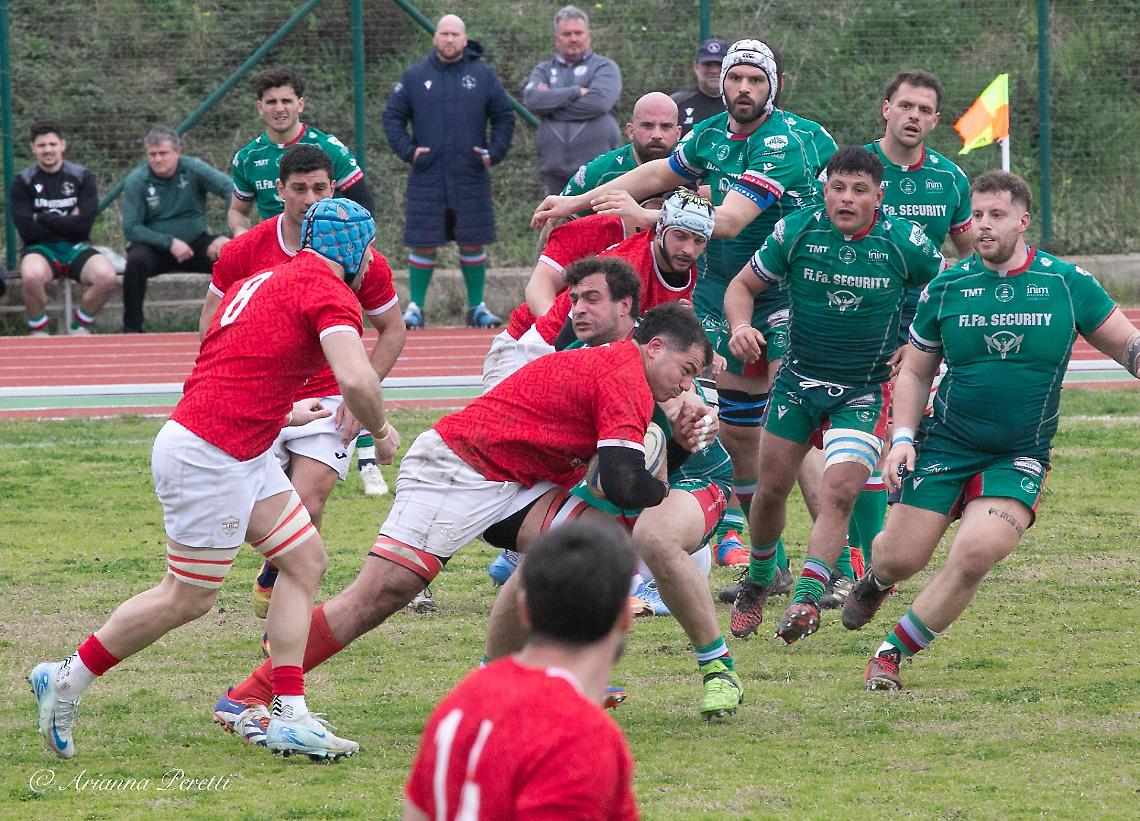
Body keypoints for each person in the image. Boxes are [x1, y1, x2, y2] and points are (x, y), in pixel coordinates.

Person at [211, 303, 711, 746]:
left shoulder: (628, 373)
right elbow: (622, 482)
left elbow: (622, 484)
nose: (685, 385)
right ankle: (248, 695)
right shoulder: (624, 374)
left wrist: (677, 448)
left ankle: (520, 682)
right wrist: (668, 477)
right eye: (686, 371)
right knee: (380, 595)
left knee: (588, 548)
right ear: (655, 347)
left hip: (515, 479)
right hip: (458, 466)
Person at [28, 199, 399, 762]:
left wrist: (280, 414)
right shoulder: (328, 290)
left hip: (233, 446)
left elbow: (233, 364)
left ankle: (289, 713)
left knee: (305, 561)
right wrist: (382, 431)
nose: (371, 261)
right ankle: (65, 678)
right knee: (188, 596)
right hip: (211, 454)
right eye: (368, 249)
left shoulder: (266, 278)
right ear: (352, 250)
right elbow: (357, 380)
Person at [533, 39, 835, 574]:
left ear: (774, 86)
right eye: (735, 78)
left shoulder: (782, 141)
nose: (743, 88)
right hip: (725, 292)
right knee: (735, 433)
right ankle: (768, 564)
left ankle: (837, 565)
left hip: (789, 291)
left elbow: (731, 220)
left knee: (796, 430)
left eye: (755, 79)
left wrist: (650, 218)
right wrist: (576, 202)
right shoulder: (711, 134)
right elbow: (654, 176)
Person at [840, 170, 1140, 690]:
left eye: (996, 215)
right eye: (977, 214)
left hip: (1019, 453)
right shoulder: (947, 287)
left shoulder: (1066, 283)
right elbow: (915, 371)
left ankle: (890, 654)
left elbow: (1127, 346)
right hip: (946, 444)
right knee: (901, 557)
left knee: (975, 555)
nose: (983, 225)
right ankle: (878, 578)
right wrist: (903, 437)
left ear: (1022, 221)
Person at [724, 146, 944, 645]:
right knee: (771, 490)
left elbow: (947, 291)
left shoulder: (905, 241)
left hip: (863, 389)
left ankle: (805, 598)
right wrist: (740, 327)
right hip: (797, 382)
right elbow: (741, 286)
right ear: (824, 191)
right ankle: (759, 577)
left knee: (839, 492)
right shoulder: (797, 230)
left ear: (879, 196)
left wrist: (915, 344)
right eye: (837, 188)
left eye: (859, 190)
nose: (846, 198)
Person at [201, 145, 404, 624]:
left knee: (308, 504)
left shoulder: (362, 257)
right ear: (279, 190)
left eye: (319, 188)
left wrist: (361, 393)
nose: (310, 199)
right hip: (265, 393)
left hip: (330, 394)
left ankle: (279, 606)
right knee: (249, 511)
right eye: (299, 189)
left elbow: (392, 329)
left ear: (333, 189)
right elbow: (211, 324)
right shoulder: (246, 250)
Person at [831, 70, 978, 598]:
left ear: (936, 121)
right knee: (857, 442)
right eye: (906, 106)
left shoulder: (949, 179)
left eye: (924, 110)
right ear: (886, 109)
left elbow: (969, 261)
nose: (914, 116)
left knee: (898, 438)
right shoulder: (855, 169)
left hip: (920, 331)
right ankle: (855, 559)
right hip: (855, 322)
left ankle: (873, 558)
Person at [403, 520, 639, 821]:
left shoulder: (463, 700)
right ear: (625, 616)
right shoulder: (580, 734)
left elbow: (417, 812)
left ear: (524, 608)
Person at [383, 14, 515, 331]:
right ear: (435, 38)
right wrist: (409, 152)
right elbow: (392, 117)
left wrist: (492, 153)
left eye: (455, 34)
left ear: (465, 39)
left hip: (470, 174)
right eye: (444, 34)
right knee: (423, 242)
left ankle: (476, 308)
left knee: (472, 241)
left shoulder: (482, 75)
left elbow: (504, 117)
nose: (450, 39)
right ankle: (415, 308)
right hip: (427, 175)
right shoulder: (415, 76)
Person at [227, 68, 374, 236]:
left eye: (286, 101)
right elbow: (238, 211)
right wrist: (241, 233)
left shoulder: (330, 149)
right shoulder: (247, 158)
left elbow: (363, 203)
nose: (279, 108)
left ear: (300, 105)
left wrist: (353, 239)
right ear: (260, 107)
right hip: (273, 247)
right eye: (271, 102)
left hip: (325, 243)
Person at [119, 126, 232, 333]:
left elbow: (231, 189)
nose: (157, 159)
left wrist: (226, 234)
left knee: (230, 256)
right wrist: (169, 242)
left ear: (177, 152)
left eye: (163, 153)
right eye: (152, 154)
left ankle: (230, 322)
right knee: (135, 262)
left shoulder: (193, 168)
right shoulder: (137, 179)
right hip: (155, 248)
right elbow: (131, 228)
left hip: (196, 242)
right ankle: (132, 328)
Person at [9, 121, 117, 335]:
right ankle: (39, 330)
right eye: (41, 145)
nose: (47, 150)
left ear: (63, 145)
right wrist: (69, 221)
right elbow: (27, 231)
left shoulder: (82, 177)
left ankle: (78, 326)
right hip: (40, 249)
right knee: (30, 276)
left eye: (52, 144)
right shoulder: (22, 181)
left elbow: (83, 226)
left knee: (107, 276)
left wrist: (40, 217)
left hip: (77, 246)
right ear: (33, 148)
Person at [524, 5, 622, 196]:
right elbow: (532, 101)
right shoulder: (543, 70)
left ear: (588, 36)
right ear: (556, 39)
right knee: (555, 216)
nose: (573, 38)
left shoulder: (605, 67)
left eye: (578, 33)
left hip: (598, 172)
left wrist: (551, 104)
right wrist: (576, 92)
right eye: (567, 34)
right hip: (553, 173)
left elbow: (599, 103)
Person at [560, 92, 682, 217]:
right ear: (631, 131)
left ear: (678, 133)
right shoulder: (599, 173)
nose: (656, 135)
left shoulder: (691, 168)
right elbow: (556, 221)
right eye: (647, 126)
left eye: (666, 126)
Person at [670, 37, 728, 136]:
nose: (714, 70)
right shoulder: (676, 103)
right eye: (708, 64)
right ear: (696, 66)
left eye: (720, 64)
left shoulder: (740, 104)